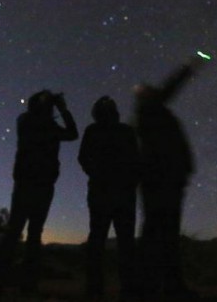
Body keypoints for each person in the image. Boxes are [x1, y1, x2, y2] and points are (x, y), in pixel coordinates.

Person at [0, 90, 78, 294]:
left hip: (41, 184)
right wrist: (60, 109)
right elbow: (69, 132)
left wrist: (61, 109)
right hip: (30, 183)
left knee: (31, 233)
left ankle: (25, 283)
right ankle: (0, 280)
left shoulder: (43, 124)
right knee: (16, 230)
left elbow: (73, 134)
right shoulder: (27, 120)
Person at [134, 59, 203, 299]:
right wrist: (188, 69)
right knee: (159, 234)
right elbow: (169, 88)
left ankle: (165, 286)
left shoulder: (151, 113)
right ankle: (152, 287)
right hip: (160, 179)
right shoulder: (150, 110)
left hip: (165, 178)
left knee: (163, 234)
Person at [78, 96, 140, 298]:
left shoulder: (93, 131)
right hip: (122, 193)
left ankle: (95, 289)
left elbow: (83, 158)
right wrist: (131, 181)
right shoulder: (126, 131)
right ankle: (128, 288)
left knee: (97, 240)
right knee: (125, 242)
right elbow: (137, 159)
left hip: (102, 192)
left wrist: (95, 174)